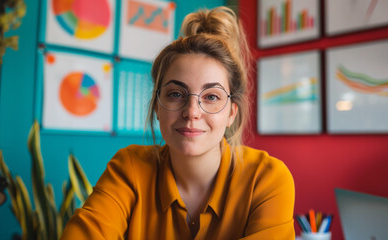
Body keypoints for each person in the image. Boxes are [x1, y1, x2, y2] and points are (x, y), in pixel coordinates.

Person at [61, 6, 295, 240]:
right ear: (156, 106)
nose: (192, 112)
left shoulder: (267, 178)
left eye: (211, 96)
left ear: (231, 113)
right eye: (175, 94)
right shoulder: (128, 168)